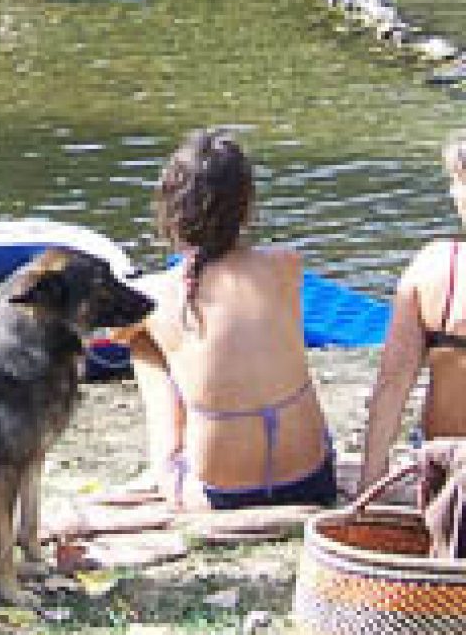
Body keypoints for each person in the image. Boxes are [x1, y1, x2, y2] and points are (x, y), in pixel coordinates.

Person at [114, 129, 336, 510]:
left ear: (172, 210)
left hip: (222, 496)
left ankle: (169, 455)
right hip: (312, 479)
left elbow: (115, 333)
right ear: (247, 206)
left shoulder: (157, 296)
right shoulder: (286, 265)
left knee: (142, 342)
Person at [359, 135, 466, 492]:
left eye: (455, 180)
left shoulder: (435, 266)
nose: (452, 193)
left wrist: (369, 483)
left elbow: (392, 385)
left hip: (449, 468)